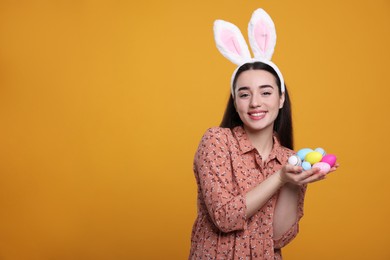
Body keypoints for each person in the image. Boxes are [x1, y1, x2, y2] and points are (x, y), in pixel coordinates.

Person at [189, 9, 338, 259]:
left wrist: (293, 183)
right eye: (245, 94)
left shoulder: (290, 160)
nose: (255, 102)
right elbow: (225, 218)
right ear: (235, 102)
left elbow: (277, 238)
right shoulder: (216, 141)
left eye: (266, 92)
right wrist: (280, 179)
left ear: (280, 99)